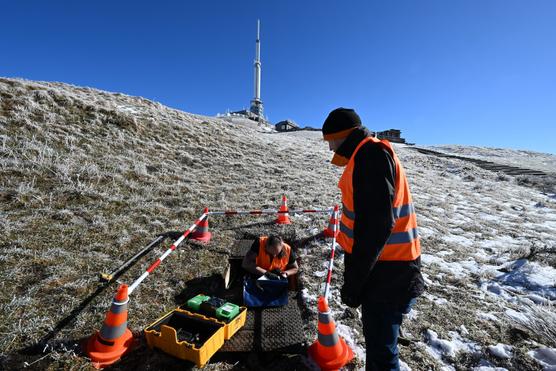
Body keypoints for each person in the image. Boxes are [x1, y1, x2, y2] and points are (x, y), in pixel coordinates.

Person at [322, 108, 424, 371]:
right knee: (383, 343)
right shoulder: (368, 153)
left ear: (341, 135)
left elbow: (375, 227)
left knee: (381, 355)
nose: (330, 146)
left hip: (387, 272)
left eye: (330, 140)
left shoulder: (370, 156)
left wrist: (354, 284)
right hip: (391, 266)